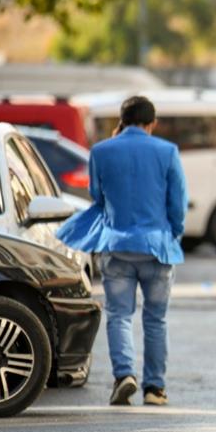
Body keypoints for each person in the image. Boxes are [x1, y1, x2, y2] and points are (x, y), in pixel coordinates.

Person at [57, 96, 187, 406]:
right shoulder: (167, 151)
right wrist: (173, 233)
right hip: (157, 248)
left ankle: (124, 376)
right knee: (156, 320)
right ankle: (154, 388)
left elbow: (96, 196)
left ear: (122, 120)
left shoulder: (101, 151)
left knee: (119, 316)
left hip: (116, 246)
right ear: (151, 123)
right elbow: (177, 204)